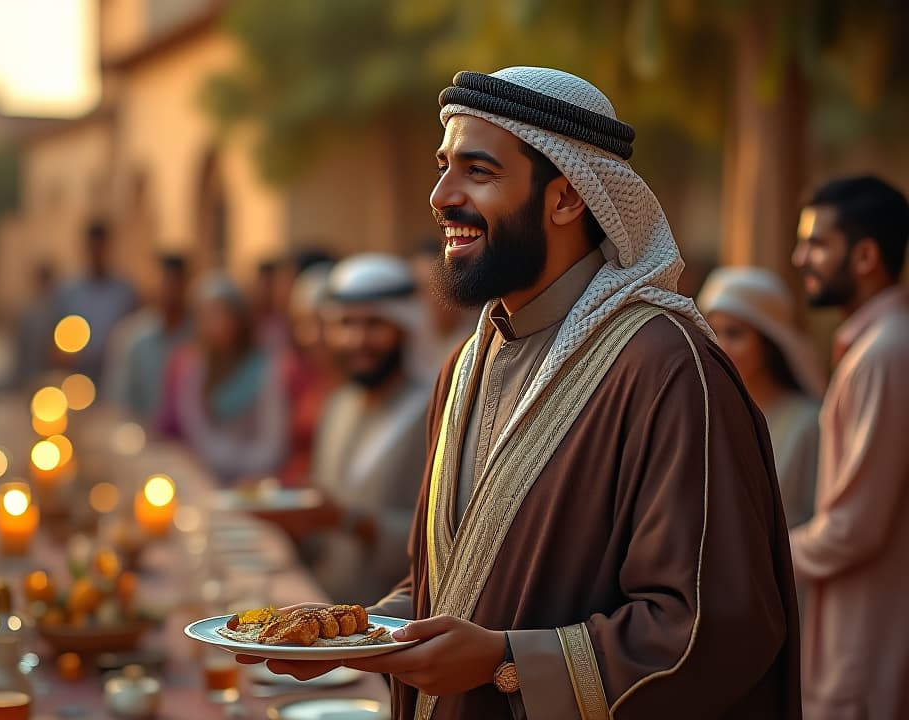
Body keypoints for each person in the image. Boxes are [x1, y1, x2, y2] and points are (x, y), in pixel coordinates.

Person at [249, 67, 801, 720]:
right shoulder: (465, 366)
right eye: (442, 166)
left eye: (476, 172)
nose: (440, 195)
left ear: (566, 199)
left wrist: (505, 661)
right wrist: (349, 634)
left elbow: (714, 629)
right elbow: (452, 587)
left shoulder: (664, 366)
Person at [789, 176, 909, 720]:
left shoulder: (886, 353)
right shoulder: (875, 348)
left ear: (865, 256)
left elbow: (854, 529)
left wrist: (758, 554)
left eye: (817, 244)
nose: (799, 258)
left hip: (868, 645)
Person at [275, 254, 430, 606]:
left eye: (374, 324)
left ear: (405, 328)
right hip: (325, 611)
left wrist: (349, 520)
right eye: (346, 324)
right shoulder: (338, 406)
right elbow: (323, 532)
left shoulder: (435, 411)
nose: (358, 339)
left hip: (390, 627)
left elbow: (444, 542)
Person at [698, 267, 825, 528]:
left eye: (734, 333)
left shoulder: (808, 424)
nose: (720, 346)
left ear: (767, 340)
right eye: (712, 332)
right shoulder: (704, 414)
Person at [153, 273, 286, 485]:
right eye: (208, 315)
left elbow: (272, 437)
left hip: (255, 479)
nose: (217, 324)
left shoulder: (263, 367)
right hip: (203, 476)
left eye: (224, 314)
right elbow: (196, 430)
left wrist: (247, 468)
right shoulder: (192, 368)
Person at [277, 262, 342, 487]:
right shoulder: (292, 373)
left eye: (323, 323)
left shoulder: (360, 381)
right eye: (303, 323)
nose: (313, 336)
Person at [104, 254, 192, 422]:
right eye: (166, 283)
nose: (170, 292)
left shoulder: (197, 336)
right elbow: (119, 401)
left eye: (176, 284)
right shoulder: (132, 337)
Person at [53, 220, 136, 383]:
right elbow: (55, 338)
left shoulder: (124, 291)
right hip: (76, 375)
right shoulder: (69, 291)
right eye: (92, 248)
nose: (96, 253)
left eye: (100, 247)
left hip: (113, 373)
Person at [410, 239, 477, 382]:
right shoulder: (409, 339)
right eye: (419, 287)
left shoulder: (479, 339)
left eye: (432, 286)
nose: (425, 296)